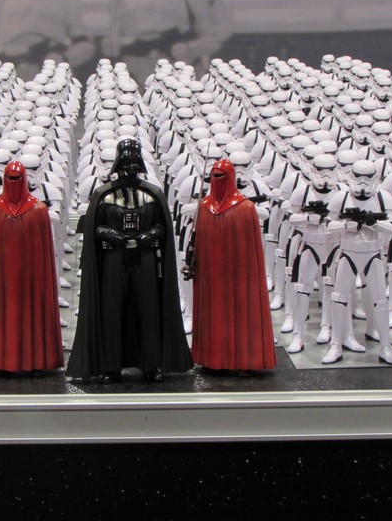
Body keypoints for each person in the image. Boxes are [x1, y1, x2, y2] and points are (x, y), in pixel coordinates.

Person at [67, 138, 192, 383]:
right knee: (112, 310)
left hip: (145, 259)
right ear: (118, 163)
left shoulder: (152, 193)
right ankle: (111, 366)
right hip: (114, 259)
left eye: (135, 162)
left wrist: (149, 235)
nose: (130, 168)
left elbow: (162, 227)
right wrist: (110, 234)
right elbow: (94, 227)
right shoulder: (104, 194)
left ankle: (150, 364)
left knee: (148, 310)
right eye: (126, 163)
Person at [183, 159, 276, 372]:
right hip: (210, 275)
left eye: (221, 176)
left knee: (240, 314)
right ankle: (211, 358)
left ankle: (244, 360)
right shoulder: (204, 207)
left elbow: (251, 250)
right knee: (213, 313)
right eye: (214, 176)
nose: (217, 180)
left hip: (238, 276)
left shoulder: (245, 208)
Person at [0, 160, 64, 375]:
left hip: (31, 276)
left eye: (17, 178)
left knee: (33, 312)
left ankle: (37, 360)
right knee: (1, 314)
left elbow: (44, 251)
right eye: (10, 178)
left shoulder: (38, 210)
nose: (14, 182)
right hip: (0, 277)